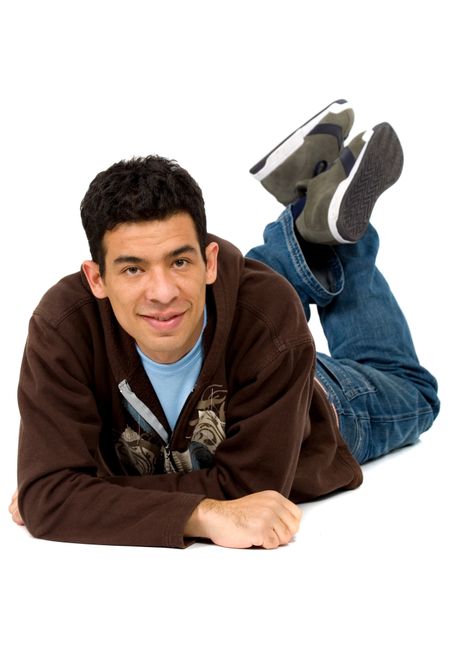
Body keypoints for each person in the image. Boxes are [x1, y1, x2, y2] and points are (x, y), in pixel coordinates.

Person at [9, 100, 439, 549]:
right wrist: (199, 513)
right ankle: (309, 216)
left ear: (209, 259)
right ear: (96, 278)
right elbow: (52, 495)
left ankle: (340, 233)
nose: (161, 291)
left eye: (180, 260)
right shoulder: (63, 325)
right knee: (248, 302)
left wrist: (85, 496)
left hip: (321, 404)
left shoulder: (270, 324)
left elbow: (250, 490)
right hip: (253, 351)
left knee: (414, 391)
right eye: (133, 269)